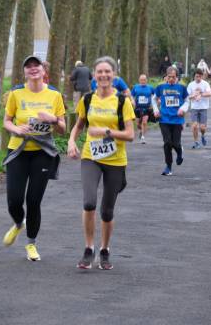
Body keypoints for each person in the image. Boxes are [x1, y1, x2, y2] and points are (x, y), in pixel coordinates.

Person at [67, 56, 135, 270]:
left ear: (114, 76)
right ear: (94, 76)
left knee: (107, 211)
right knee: (89, 202)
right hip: (91, 157)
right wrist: (71, 142)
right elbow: (79, 126)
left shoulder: (122, 102)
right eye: (100, 72)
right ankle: (89, 248)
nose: (104, 75)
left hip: (115, 160)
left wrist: (106, 132)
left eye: (108, 72)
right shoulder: (87, 100)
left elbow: (130, 135)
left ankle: (104, 249)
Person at [2, 55, 66, 261]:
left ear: (43, 70)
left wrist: (54, 119)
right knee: (14, 200)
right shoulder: (16, 93)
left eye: (35, 65)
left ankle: (31, 244)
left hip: (42, 153)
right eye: (28, 66)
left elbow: (63, 129)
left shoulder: (54, 95)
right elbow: (6, 121)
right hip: (18, 150)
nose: (32, 68)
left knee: (33, 201)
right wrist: (17, 129)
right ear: (24, 72)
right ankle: (19, 223)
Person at [152, 66, 189, 176]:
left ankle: (179, 152)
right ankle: (168, 166)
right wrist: (156, 110)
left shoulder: (182, 87)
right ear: (166, 77)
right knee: (167, 143)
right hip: (164, 119)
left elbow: (187, 101)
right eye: (169, 77)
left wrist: (183, 109)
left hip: (177, 119)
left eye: (173, 77)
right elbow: (153, 99)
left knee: (176, 143)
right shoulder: (161, 87)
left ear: (177, 77)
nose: (171, 79)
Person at [187, 68, 211, 149]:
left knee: (202, 127)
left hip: (203, 108)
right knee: (194, 126)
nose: (198, 78)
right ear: (194, 76)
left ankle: (203, 135)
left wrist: (201, 94)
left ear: (202, 76)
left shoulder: (205, 84)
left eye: (199, 77)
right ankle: (196, 142)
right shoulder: (191, 85)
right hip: (194, 108)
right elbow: (187, 96)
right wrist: (193, 96)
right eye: (196, 76)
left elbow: (209, 93)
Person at [131, 74, 154, 144]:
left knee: (144, 122)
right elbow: (132, 95)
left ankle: (143, 137)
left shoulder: (150, 87)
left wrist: (153, 104)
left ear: (146, 80)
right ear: (139, 80)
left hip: (147, 108)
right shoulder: (135, 87)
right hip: (138, 108)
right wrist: (132, 101)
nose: (143, 81)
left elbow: (155, 95)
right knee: (138, 124)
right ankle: (141, 130)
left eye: (144, 80)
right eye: (141, 80)